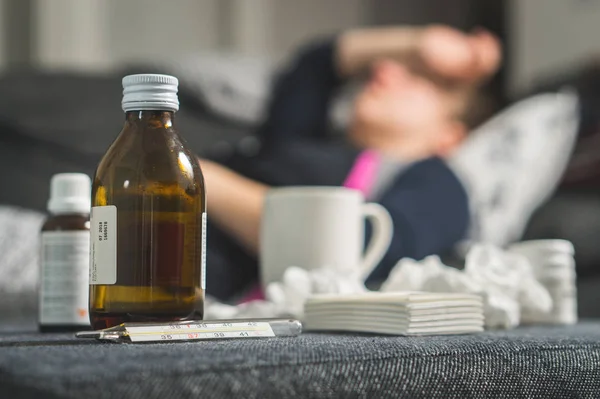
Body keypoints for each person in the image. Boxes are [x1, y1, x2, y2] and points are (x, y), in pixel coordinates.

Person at [201, 25, 502, 300]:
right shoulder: (306, 141)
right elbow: (317, 64)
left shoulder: (439, 182)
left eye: (419, 79)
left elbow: (359, 251)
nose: (384, 70)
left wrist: (192, 176)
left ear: (450, 136)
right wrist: (418, 45)